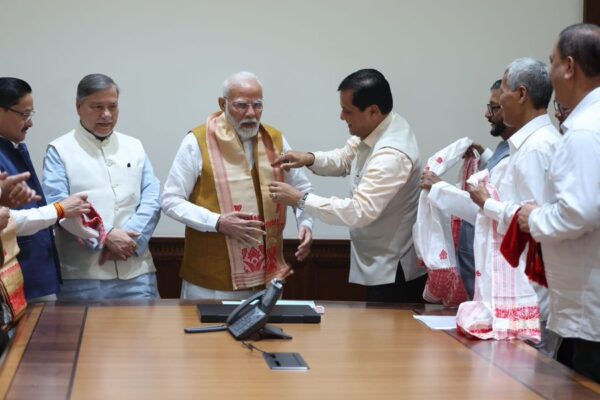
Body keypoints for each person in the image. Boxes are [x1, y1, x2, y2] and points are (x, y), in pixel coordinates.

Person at [269, 68, 425, 302]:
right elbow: (344, 159)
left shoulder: (392, 155)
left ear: (373, 111)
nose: (342, 116)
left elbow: (358, 212)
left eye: (347, 111)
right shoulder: (380, 126)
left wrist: (300, 199)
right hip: (378, 261)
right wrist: (309, 158)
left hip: (394, 271)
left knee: (387, 325)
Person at [161, 71, 313, 300]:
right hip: (210, 280)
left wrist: (306, 223)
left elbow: (301, 189)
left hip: (266, 278)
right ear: (222, 104)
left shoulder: (274, 140)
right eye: (241, 105)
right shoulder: (197, 141)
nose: (251, 113)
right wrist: (217, 222)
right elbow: (170, 200)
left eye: (257, 105)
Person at [518, 23, 600, 382]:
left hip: (588, 309)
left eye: (552, 62)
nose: (549, 73)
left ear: (569, 66)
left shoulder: (584, 130)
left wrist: (534, 218)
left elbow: (578, 212)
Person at [468, 58, 560, 354]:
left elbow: (534, 221)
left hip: (530, 295)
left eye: (504, 90)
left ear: (521, 94)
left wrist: (488, 203)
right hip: (523, 289)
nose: (499, 100)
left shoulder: (536, 147)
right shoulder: (528, 143)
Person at [43, 74, 161, 300]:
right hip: (83, 276)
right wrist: (106, 235)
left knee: (144, 325)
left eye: (112, 106)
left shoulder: (134, 145)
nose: (107, 114)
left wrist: (129, 240)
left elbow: (152, 197)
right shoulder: (59, 150)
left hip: (137, 271)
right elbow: (58, 205)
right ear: (78, 106)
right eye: (97, 107)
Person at [420, 79, 515, 299]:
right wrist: (484, 155)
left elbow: (484, 206)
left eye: (494, 107)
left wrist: (439, 187)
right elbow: (495, 176)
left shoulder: (524, 152)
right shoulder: (506, 146)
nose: (487, 114)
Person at [0, 77, 90, 301]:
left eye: (31, 114)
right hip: (16, 276)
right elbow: (9, 219)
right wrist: (59, 210)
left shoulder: (12, 147)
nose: (30, 123)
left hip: (36, 270)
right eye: (24, 114)